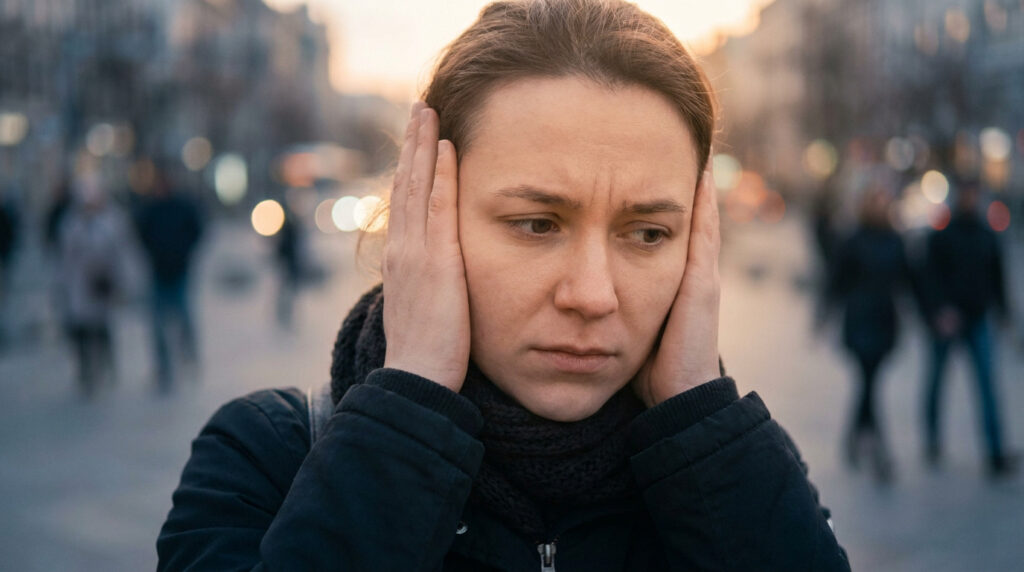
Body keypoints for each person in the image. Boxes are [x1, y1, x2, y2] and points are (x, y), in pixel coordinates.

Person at [158, 1, 850, 569]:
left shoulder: (739, 471)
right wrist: (412, 402)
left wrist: (700, 422)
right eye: (536, 224)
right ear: (425, 218)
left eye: (647, 234)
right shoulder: (266, 457)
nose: (592, 294)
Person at [918, 181, 1015, 478]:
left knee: (987, 385)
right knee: (936, 381)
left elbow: (998, 278)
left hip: (978, 318)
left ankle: (995, 452)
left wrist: (1004, 313)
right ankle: (932, 441)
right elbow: (928, 278)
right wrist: (939, 312)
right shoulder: (941, 237)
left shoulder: (987, 236)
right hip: (948, 320)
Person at [823, 188, 911, 483]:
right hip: (859, 320)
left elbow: (908, 278)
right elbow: (836, 280)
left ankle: (852, 439)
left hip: (885, 321)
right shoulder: (852, 240)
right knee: (869, 383)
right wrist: (823, 313)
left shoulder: (896, 240)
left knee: (868, 384)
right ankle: (880, 452)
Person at [57, 172, 133, 397]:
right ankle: (85, 371)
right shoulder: (70, 224)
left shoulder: (111, 220)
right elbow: (64, 257)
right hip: (79, 285)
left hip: (102, 284)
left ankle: (106, 364)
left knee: (102, 327)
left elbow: (120, 253)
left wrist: (121, 283)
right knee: (81, 329)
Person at [133, 165, 205, 391]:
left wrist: (185, 250)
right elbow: (140, 233)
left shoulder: (181, 206)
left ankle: (189, 352)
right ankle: (164, 367)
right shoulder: (151, 209)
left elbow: (197, 229)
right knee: (157, 324)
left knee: (184, 315)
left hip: (179, 270)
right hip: (157, 271)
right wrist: (152, 252)